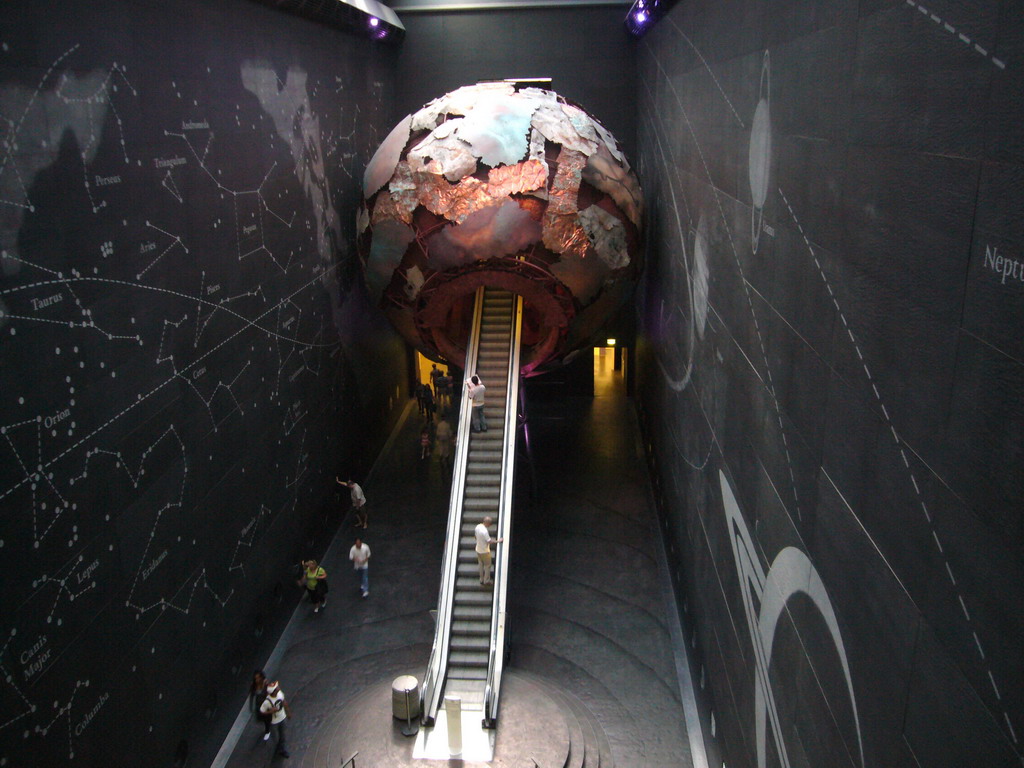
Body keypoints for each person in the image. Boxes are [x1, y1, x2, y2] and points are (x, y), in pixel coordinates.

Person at [259, 680, 290, 758]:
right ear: (273, 691)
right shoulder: (267, 701)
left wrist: (288, 712)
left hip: (282, 718)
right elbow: (262, 711)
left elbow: (284, 702)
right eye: (276, 688)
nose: (278, 688)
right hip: (274, 722)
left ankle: (282, 749)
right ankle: (278, 748)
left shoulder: (280, 694)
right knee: (276, 737)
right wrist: (270, 711)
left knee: (283, 735)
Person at [474, 516, 502, 585]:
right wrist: (498, 541)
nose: (490, 525)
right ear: (488, 523)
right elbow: (489, 541)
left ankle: (481, 579)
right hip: (485, 551)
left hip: (478, 549)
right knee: (487, 565)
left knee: (480, 564)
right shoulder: (485, 532)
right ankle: (486, 580)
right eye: (490, 524)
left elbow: (475, 536)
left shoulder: (477, 526)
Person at [249, 670, 270, 739]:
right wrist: (251, 706)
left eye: (258, 678)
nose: (257, 680)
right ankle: (267, 726)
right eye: (256, 678)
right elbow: (252, 695)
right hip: (259, 704)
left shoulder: (265, 683)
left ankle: (267, 730)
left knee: (267, 717)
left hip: (266, 703)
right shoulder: (253, 686)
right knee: (263, 718)